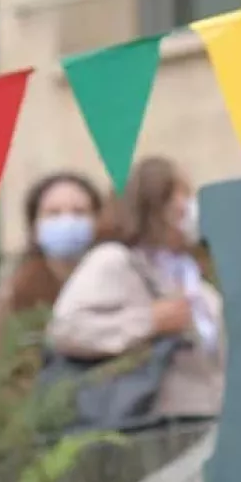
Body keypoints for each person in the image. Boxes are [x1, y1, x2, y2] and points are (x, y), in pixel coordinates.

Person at [47, 156, 225, 419]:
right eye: (182, 196)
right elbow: (66, 329)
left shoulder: (195, 282)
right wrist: (149, 321)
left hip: (206, 426)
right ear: (155, 204)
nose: (190, 207)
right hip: (149, 433)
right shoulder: (115, 262)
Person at [0, 171, 102, 393]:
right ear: (35, 227)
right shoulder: (13, 296)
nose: (67, 222)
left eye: (79, 212)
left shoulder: (116, 286)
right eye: (54, 214)